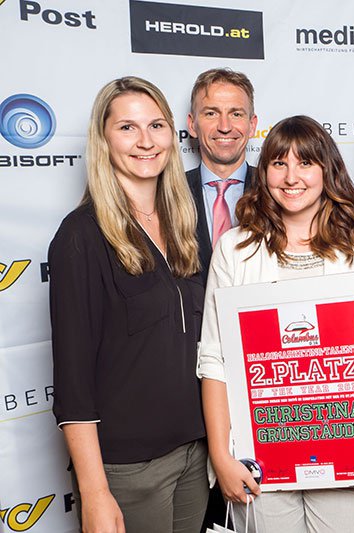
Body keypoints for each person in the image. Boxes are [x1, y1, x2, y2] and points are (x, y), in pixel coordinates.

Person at [198, 115, 354, 532]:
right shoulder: (235, 248)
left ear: (327, 170)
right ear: (264, 172)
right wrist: (221, 457)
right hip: (260, 451)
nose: (291, 177)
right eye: (278, 163)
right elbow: (214, 360)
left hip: (345, 443)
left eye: (305, 163)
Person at [49, 77, 208, 533]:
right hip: (128, 470)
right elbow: (72, 380)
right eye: (127, 128)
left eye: (156, 125)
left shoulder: (183, 224)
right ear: (103, 139)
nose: (145, 141)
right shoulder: (81, 236)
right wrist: (95, 491)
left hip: (193, 455)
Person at [186, 67, 258, 280]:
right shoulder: (167, 193)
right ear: (192, 125)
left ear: (252, 125)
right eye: (211, 113)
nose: (225, 127)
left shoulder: (277, 190)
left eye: (236, 114)